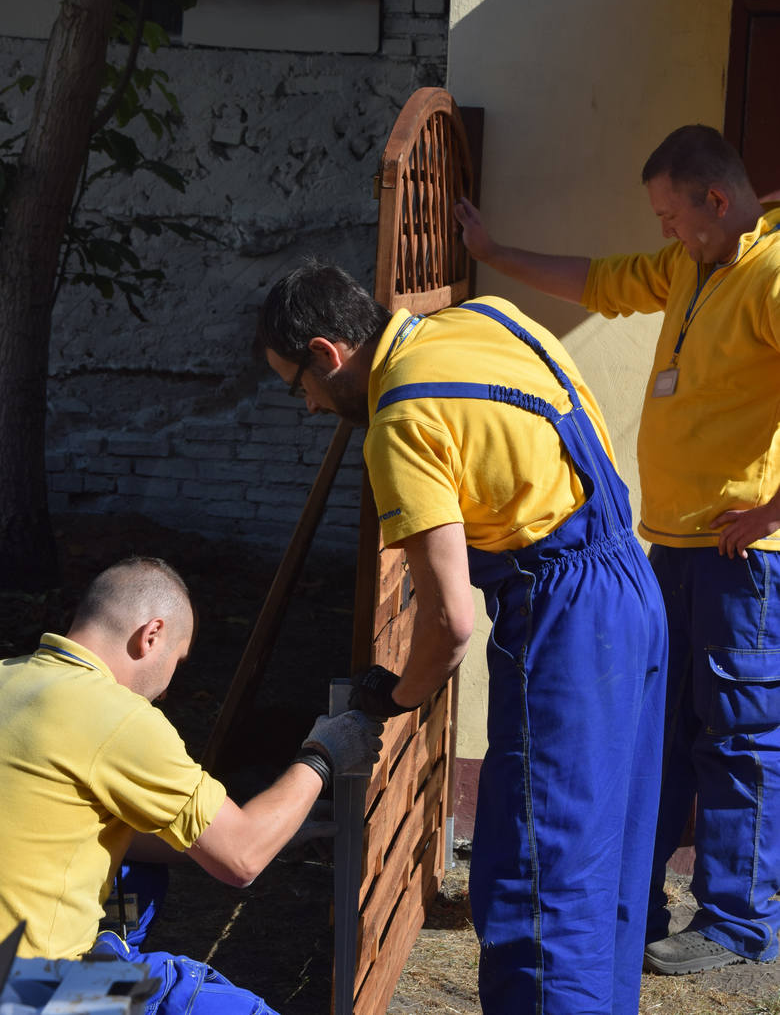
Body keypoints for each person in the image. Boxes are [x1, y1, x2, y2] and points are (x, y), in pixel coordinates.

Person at [260, 262, 667, 1015]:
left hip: (565, 621)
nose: (311, 407)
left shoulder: (401, 422)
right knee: (604, 862)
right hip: (632, 590)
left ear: (327, 353)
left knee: (537, 887)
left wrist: (398, 695)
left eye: (299, 387)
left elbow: (449, 620)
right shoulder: (484, 319)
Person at [454, 124, 780, 976]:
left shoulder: (773, 276)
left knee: (740, 737)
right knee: (659, 731)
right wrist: (493, 252)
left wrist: (773, 510)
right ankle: (641, 906)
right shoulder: (687, 268)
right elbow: (595, 281)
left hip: (741, 557)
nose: (664, 230)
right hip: (667, 546)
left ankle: (737, 926)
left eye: (672, 214)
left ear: (716, 199)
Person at [0, 555, 383, 1014]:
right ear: (152, 635)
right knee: (190, 996)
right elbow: (241, 859)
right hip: (27, 989)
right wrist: (322, 755)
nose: (165, 690)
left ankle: (107, 953)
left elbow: (64, 827)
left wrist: (279, 832)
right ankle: (100, 984)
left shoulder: (11, 676)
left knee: (136, 875)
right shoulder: (117, 718)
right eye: (176, 662)